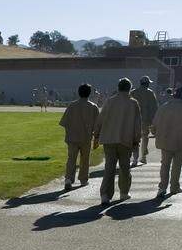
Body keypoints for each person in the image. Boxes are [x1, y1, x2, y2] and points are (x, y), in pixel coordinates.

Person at [93, 77, 142, 205]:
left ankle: (105, 194)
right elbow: (137, 125)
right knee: (124, 168)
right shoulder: (133, 103)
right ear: (130, 88)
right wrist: (136, 140)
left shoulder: (110, 101)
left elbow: (101, 118)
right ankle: (124, 192)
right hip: (125, 140)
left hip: (109, 139)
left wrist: (96, 134)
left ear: (118, 88)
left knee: (109, 167)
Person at [152, 86, 182, 197]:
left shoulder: (164, 107)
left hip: (165, 140)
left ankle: (162, 187)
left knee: (165, 165)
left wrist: (155, 132)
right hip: (180, 141)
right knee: (177, 166)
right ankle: (174, 187)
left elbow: (155, 123)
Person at [59, 83, 99, 190]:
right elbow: (97, 126)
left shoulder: (72, 105)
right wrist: (96, 138)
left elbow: (64, 122)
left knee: (71, 158)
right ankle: (83, 179)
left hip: (72, 137)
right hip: (86, 138)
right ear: (89, 93)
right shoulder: (93, 107)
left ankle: (68, 178)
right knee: (85, 159)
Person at [130, 76, 159, 165]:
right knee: (145, 137)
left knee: (134, 138)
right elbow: (154, 107)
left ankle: (134, 158)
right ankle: (143, 157)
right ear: (147, 84)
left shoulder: (133, 92)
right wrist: (154, 120)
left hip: (134, 119)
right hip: (145, 119)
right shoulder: (150, 93)